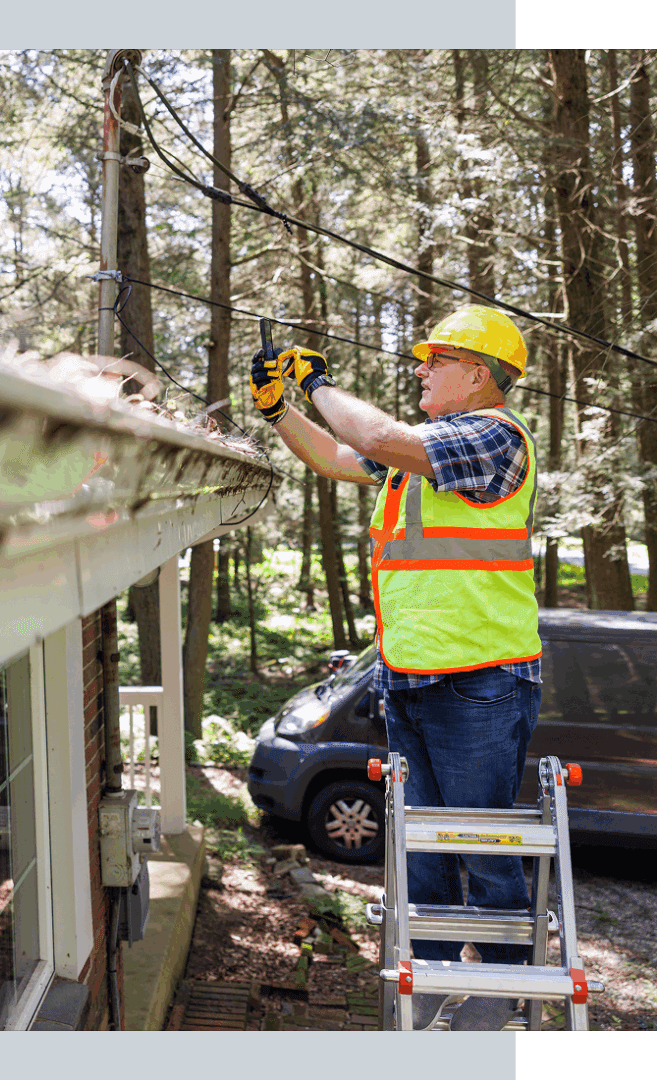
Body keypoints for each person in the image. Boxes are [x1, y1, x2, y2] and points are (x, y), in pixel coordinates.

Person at [251, 306, 541, 1032]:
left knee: (480, 846)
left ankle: (505, 999)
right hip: (411, 675)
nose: (419, 369)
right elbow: (337, 457)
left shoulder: (491, 437)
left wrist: (316, 381)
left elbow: (373, 436)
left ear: (478, 376)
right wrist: (276, 407)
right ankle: (439, 991)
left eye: (434, 360)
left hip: (479, 676)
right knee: (423, 854)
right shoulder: (428, 452)